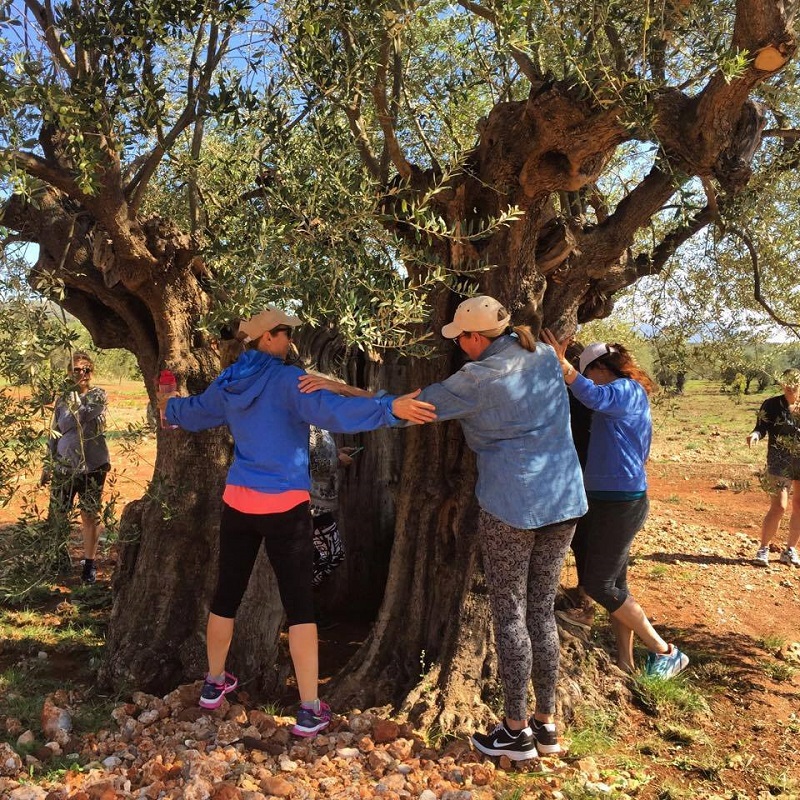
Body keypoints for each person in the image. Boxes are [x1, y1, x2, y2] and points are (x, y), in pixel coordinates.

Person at [301, 296, 587, 761]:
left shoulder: (477, 379)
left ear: (476, 337)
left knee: (511, 614)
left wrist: (340, 389)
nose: (460, 348)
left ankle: (515, 732)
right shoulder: (540, 353)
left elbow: (404, 407)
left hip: (513, 505)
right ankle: (546, 725)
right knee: (541, 612)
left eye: (462, 339)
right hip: (565, 501)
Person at [159, 306, 436, 737]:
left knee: (226, 593)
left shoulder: (229, 381)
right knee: (300, 604)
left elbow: (192, 413)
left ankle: (214, 684)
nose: (291, 341)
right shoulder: (289, 380)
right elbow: (335, 413)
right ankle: (309, 708)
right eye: (285, 333)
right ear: (267, 337)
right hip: (285, 505)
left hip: (238, 501)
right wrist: (390, 408)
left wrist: (169, 406)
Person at [542, 332, 689, 680]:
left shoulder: (625, 389)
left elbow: (591, 394)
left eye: (586, 370)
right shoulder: (617, 395)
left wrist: (563, 365)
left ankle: (665, 650)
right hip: (609, 498)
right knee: (617, 585)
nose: (586, 377)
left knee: (599, 585)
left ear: (601, 368)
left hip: (621, 501)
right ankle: (626, 663)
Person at [41, 351, 110, 585]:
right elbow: (55, 431)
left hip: (94, 465)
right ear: (69, 373)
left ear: (92, 371)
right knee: (59, 514)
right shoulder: (62, 400)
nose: (82, 373)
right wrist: (47, 465)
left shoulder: (98, 395)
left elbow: (77, 418)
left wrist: (73, 404)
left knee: (89, 515)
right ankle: (58, 559)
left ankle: (89, 565)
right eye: (77, 370)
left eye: (86, 369)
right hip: (64, 466)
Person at [746, 368, 800, 567]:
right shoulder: (771, 404)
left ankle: (790, 550)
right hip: (779, 460)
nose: (791, 385)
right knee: (779, 506)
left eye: (795, 381)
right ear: (781, 383)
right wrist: (755, 435)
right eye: (787, 381)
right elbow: (761, 427)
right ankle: (763, 548)